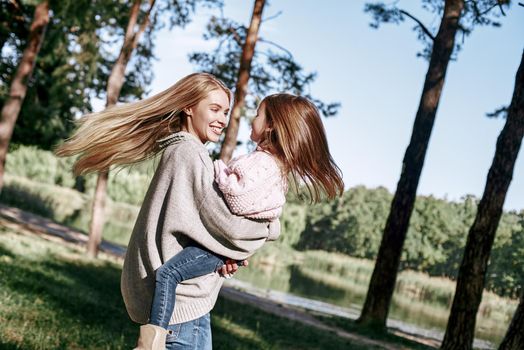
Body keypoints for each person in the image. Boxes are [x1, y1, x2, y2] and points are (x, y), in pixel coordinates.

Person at [56, 73, 343, 350]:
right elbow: (229, 226)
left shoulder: (182, 151)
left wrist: (227, 252)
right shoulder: (191, 155)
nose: (223, 119)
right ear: (189, 108)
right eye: (214, 109)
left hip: (177, 309)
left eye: (226, 111)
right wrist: (268, 229)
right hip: (182, 313)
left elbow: (207, 225)